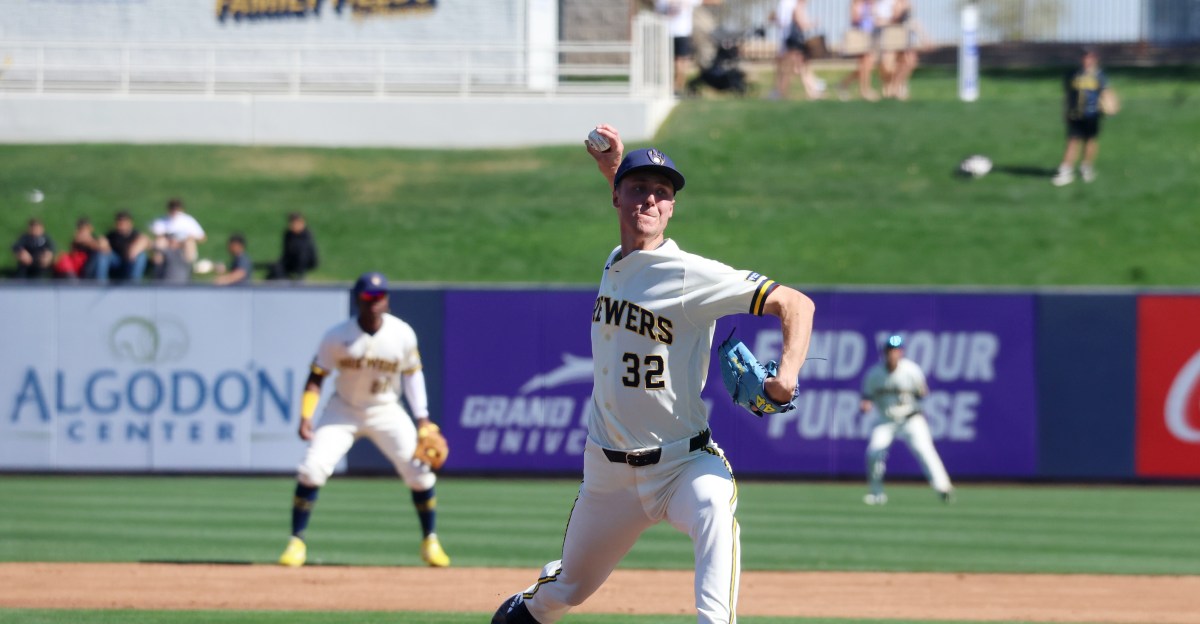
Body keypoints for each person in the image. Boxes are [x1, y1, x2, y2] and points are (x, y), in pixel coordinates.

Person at [492, 125, 816, 624]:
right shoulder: (616, 261)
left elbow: (795, 303)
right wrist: (613, 167)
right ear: (616, 197)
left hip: (682, 463)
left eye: (662, 193)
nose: (650, 199)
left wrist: (788, 373)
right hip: (608, 477)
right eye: (639, 188)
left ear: (672, 209)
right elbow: (633, 218)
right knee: (565, 590)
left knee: (714, 505)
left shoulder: (689, 275)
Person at [278, 272, 450, 569]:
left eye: (379, 296)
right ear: (358, 299)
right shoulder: (336, 335)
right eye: (368, 296)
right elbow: (316, 378)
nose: (374, 301)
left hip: (386, 410)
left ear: (387, 300)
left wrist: (422, 418)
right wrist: (306, 415)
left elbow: (412, 376)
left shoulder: (402, 334)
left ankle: (430, 541)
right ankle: (296, 542)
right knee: (311, 470)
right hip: (343, 410)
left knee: (420, 473)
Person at [859, 334, 954, 506]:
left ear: (901, 352)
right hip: (886, 419)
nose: (893, 354)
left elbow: (923, 392)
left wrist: (920, 392)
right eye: (890, 350)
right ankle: (876, 493)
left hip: (911, 418)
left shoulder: (911, 370)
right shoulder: (874, 374)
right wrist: (865, 405)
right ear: (884, 352)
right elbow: (867, 397)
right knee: (873, 453)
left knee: (925, 451)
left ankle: (943, 488)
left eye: (896, 350)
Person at [1052, 47, 1111, 187]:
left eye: (1090, 57)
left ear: (1095, 59)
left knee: (1090, 141)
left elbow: (1106, 92)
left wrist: (1109, 105)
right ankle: (1066, 170)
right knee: (1072, 141)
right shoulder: (1073, 74)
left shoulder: (1099, 75)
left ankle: (1086, 167)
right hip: (1075, 114)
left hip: (1092, 115)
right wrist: (1065, 111)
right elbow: (1068, 94)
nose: (1087, 60)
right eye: (1085, 57)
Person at [655, 0, 713, 96]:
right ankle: (672, 85)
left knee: (681, 61)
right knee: (673, 61)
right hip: (668, 32)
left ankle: (679, 86)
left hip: (682, 32)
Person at [770, 0, 824, 100]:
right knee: (796, 68)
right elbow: (801, 24)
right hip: (795, 43)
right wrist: (814, 24)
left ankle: (781, 91)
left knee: (797, 68)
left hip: (792, 42)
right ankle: (812, 90)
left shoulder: (791, 6)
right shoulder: (796, 7)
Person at [149, 197, 206, 283]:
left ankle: (189, 269)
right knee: (159, 243)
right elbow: (158, 236)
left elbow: (202, 238)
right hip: (167, 246)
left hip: (182, 247)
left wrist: (180, 242)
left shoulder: (188, 221)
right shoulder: (162, 221)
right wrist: (170, 241)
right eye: (172, 208)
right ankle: (158, 270)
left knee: (189, 243)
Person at [836, 0, 880, 101]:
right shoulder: (856, 4)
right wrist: (868, 15)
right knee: (864, 64)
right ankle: (864, 90)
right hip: (860, 36)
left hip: (869, 35)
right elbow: (855, 19)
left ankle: (845, 84)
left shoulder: (868, 4)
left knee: (866, 65)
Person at [58, 217, 114, 283]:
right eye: (80, 229)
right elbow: (72, 253)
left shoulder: (96, 239)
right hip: (81, 269)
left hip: (91, 267)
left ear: (90, 228)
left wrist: (89, 242)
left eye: (84, 229)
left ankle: (101, 283)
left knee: (101, 257)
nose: (83, 232)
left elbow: (107, 250)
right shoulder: (77, 241)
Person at [266, 212, 319, 281]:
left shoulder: (306, 235)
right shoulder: (288, 235)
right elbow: (286, 252)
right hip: (291, 260)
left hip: (305, 261)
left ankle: (300, 277)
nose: (294, 225)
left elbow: (304, 254)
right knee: (276, 270)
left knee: (302, 256)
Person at [105, 210, 150, 283]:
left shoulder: (135, 234)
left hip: (130, 262)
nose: (121, 225)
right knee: (103, 255)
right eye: (119, 222)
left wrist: (135, 251)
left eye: (124, 222)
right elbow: (103, 243)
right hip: (116, 262)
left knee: (141, 256)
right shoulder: (112, 235)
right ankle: (100, 283)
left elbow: (146, 241)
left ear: (130, 223)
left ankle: (134, 283)